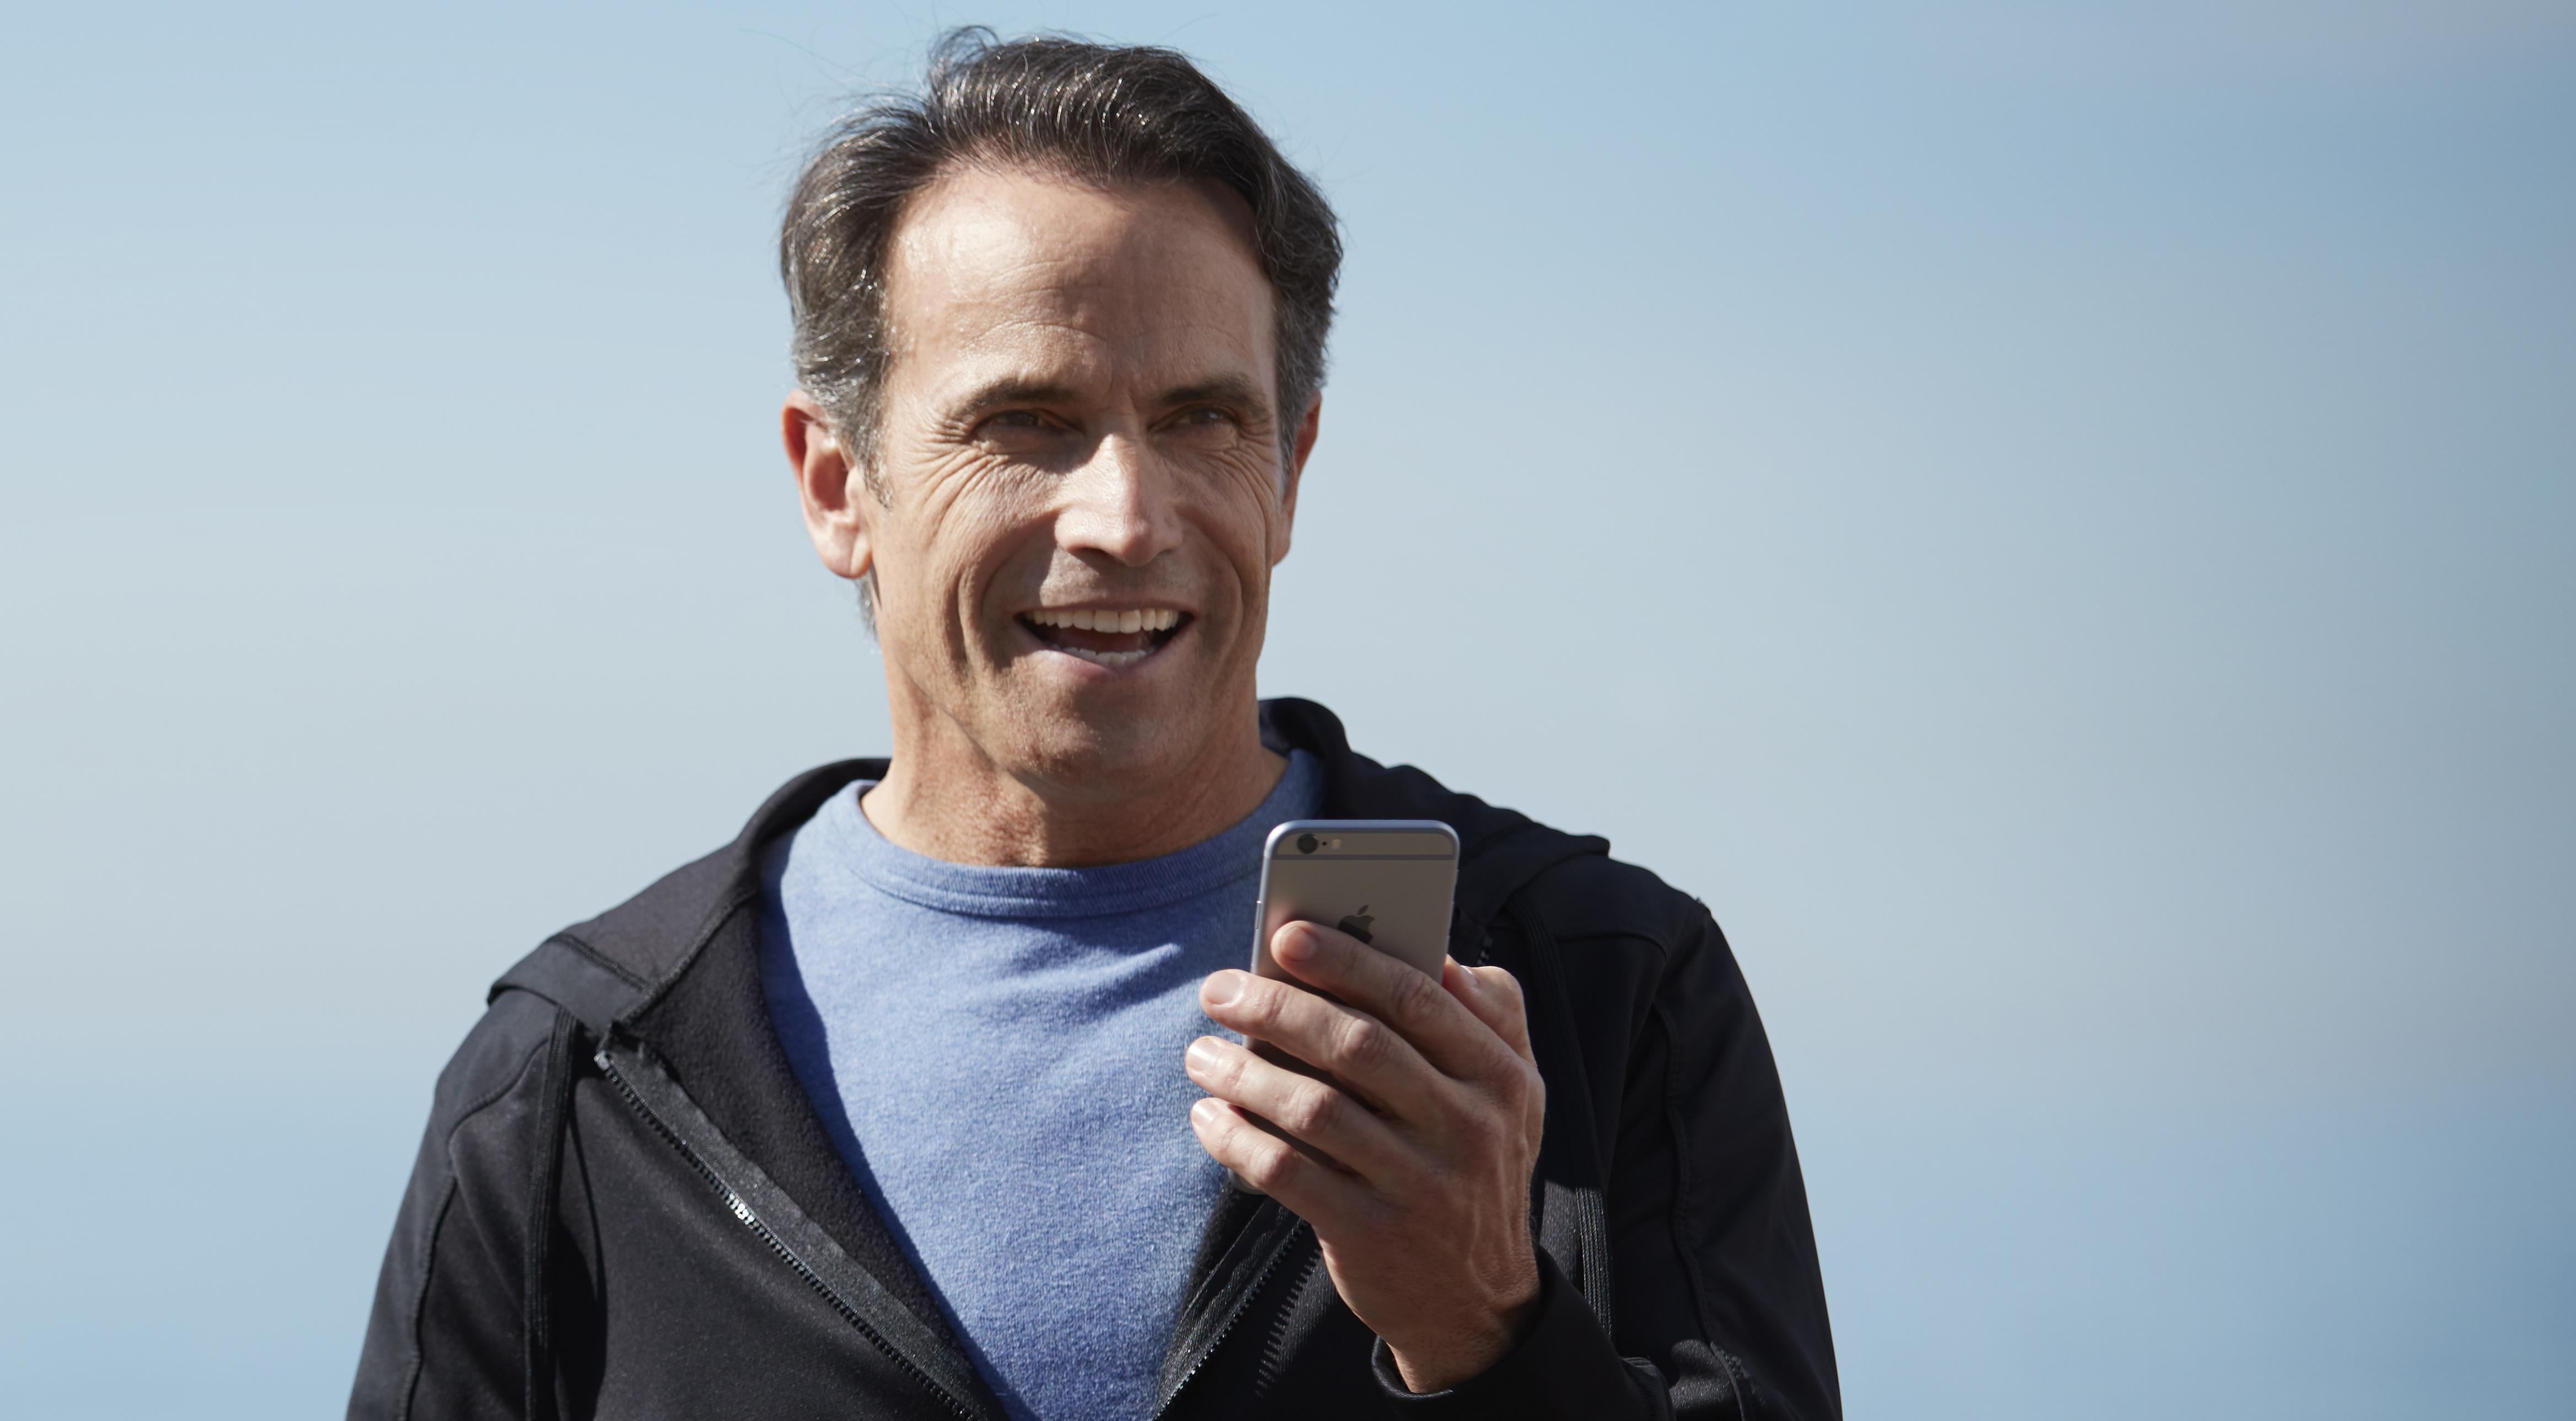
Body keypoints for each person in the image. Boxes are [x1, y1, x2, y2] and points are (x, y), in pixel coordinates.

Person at [350, 30, 1837, 1421]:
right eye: (1028, 424)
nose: (1126, 518)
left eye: (1204, 421)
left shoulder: (1602, 991)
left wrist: (1486, 1330)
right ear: (837, 484)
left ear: (1292, 469)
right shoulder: (577, 1084)